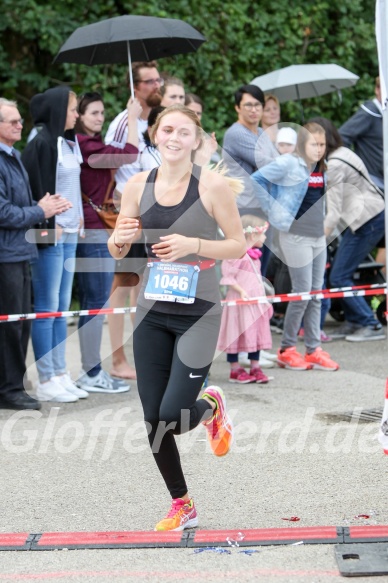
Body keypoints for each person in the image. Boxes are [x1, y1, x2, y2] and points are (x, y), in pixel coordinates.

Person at [107, 104, 246, 531]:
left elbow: (238, 245)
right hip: (151, 311)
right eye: (167, 129)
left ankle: (210, 405)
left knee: (174, 414)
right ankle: (182, 503)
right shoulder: (135, 185)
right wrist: (118, 237)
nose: (173, 138)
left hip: (198, 313)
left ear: (197, 139)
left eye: (183, 132)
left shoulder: (213, 186)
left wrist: (194, 244)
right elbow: (120, 253)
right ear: (154, 134)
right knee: (154, 422)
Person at [0, 97, 71, 410]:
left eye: (19, 119)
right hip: (6, 255)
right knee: (10, 324)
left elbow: (22, 206)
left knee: (21, 322)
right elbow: (4, 212)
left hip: (19, 252)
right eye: (12, 121)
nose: (20, 124)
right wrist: (39, 209)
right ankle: (10, 389)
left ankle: (14, 385)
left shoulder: (12, 156)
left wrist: (44, 206)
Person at [252, 122, 339, 371]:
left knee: (316, 293)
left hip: (317, 237)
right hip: (294, 235)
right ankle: (287, 349)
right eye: (314, 144)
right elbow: (257, 179)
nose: (319, 149)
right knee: (302, 292)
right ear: (303, 143)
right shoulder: (290, 162)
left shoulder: (321, 166)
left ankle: (313, 350)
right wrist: (273, 211)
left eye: (322, 144)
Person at [21, 86, 86, 403]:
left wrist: (80, 220)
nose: (77, 114)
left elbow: (71, 187)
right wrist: (49, 228)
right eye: (73, 109)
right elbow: (34, 191)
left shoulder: (65, 142)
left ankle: (60, 372)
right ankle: (46, 376)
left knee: (61, 307)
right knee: (47, 307)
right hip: (50, 235)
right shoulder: (41, 143)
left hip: (71, 233)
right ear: (59, 110)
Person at [74, 92, 141, 392]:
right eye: (93, 113)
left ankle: (92, 371)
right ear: (79, 116)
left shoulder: (94, 145)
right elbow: (129, 153)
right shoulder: (85, 147)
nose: (100, 118)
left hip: (100, 225)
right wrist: (133, 117)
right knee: (96, 299)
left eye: (102, 113)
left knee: (97, 298)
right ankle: (91, 373)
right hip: (93, 227)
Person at [105, 61, 163, 380]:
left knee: (144, 291)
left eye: (159, 79)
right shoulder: (122, 122)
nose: (157, 85)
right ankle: (117, 361)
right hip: (130, 220)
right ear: (135, 87)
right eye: (150, 81)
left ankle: (145, 355)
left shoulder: (153, 124)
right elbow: (108, 167)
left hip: (155, 219)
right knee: (121, 290)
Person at [309, 116, 385, 342]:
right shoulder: (344, 152)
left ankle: (370, 324)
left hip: (368, 220)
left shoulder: (334, 165)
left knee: (340, 275)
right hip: (372, 216)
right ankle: (354, 321)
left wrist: (317, 242)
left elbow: (333, 213)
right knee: (340, 273)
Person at [217, 214, 273, 384]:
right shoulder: (236, 254)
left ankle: (255, 366)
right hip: (240, 302)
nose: (264, 238)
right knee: (236, 333)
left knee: (255, 333)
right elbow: (228, 276)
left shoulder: (254, 255)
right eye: (263, 234)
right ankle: (235, 368)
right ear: (253, 235)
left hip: (254, 302)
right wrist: (240, 291)